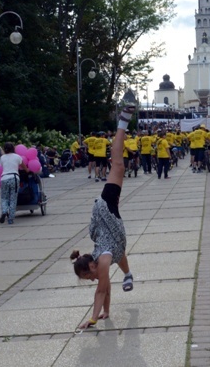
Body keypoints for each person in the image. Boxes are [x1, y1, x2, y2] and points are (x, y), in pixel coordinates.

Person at [71, 105, 136, 331]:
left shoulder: (104, 261)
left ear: (91, 265)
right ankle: (128, 274)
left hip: (106, 211)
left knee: (117, 163)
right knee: (117, 164)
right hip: (109, 221)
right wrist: (106, 312)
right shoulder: (100, 263)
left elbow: (101, 290)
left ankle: (123, 120)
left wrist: (92, 319)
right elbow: (105, 288)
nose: (91, 280)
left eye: (88, 276)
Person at [0, 142, 29, 224]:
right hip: (14, 178)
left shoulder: (2, 157)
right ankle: (10, 219)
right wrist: (28, 171)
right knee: (13, 198)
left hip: (4, 178)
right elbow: (24, 167)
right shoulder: (17, 157)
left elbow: (2, 166)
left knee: (4, 197)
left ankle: (4, 211)